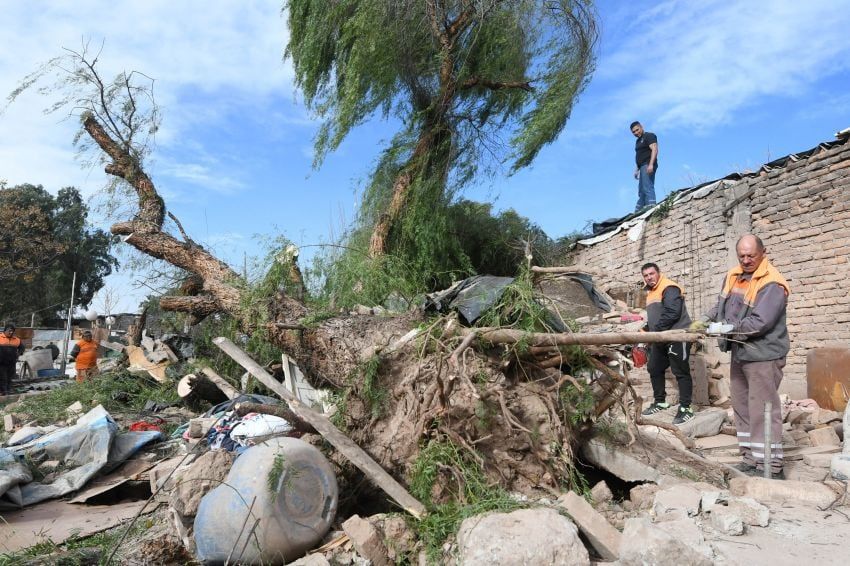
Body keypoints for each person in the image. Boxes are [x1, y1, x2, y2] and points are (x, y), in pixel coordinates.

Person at [694, 234, 790, 479]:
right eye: (742, 256)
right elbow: (722, 306)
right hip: (741, 352)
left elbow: (760, 322)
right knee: (742, 406)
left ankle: (771, 466)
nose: (746, 260)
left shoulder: (772, 283)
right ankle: (750, 458)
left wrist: (725, 328)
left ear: (763, 253)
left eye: (751, 256)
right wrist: (705, 319)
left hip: (763, 354)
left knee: (763, 408)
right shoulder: (734, 276)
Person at [639, 263, 694, 424]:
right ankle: (660, 402)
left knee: (680, 371)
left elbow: (672, 313)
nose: (649, 277)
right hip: (661, 337)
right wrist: (646, 330)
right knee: (654, 367)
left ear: (658, 273)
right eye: (646, 275)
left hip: (677, 335)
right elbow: (657, 316)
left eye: (651, 273)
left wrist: (654, 332)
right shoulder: (651, 293)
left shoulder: (669, 288)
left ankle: (686, 408)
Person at [631, 121, 658, 212]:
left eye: (637, 130)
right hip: (642, 166)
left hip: (648, 164)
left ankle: (651, 207)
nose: (636, 133)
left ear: (641, 127)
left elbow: (655, 149)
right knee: (641, 190)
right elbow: (640, 155)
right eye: (633, 132)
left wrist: (651, 164)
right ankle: (639, 211)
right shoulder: (638, 141)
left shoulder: (649, 136)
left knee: (647, 186)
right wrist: (637, 169)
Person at [0, 324, 25, 395]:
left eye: (12, 331)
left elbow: (22, 348)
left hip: (12, 363)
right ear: (5, 330)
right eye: (9, 331)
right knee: (2, 377)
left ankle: (8, 390)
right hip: (1, 363)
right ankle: (3, 391)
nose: (11, 332)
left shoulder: (16, 340)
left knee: (9, 377)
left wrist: (18, 354)